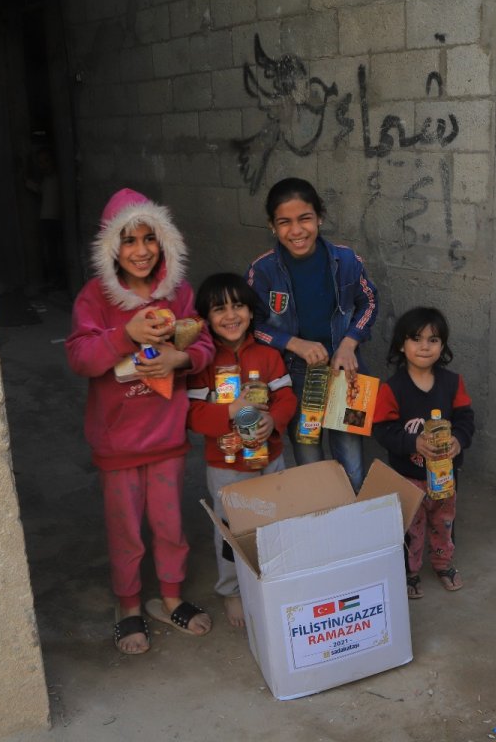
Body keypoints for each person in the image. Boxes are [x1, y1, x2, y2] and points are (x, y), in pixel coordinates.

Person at [65, 187, 215, 654]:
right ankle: (128, 604)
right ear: (111, 247)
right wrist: (124, 335)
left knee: (170, 525)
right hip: (118, 444)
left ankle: (170, 597)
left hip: (166, 438)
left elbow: (203, 343)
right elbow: (81, 358)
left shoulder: (179, 293)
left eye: (150, 238)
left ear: (164, 240)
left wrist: (180, 359)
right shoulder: (95, 297)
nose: (141, 250)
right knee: (126, 531)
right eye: (128, 240)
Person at [246, 177, 378, 491]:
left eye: (304, 218)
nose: (297, 230)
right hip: (296, 377)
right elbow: (252, 323)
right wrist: (293, 343)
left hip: (347, 374)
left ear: (320, 217)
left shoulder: (346, 261)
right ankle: (321, 516)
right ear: (272, 226)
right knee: (309, 460)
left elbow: (370, 302)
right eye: (285, 222)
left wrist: (349, 343)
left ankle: (353, 516)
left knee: (352, 459)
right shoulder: (262, 271)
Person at [186, 273, 298, 628]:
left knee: (274, 520)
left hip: (271, 457)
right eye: (219, 309)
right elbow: (192, 414)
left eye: (238, 306)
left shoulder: (268, 356)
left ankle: (273, 577)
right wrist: (231, 410)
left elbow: (286, 397)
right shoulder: (202, 363)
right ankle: (231, 590)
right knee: (230, 530)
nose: (231, 315)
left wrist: (274, 420)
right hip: (226, 465)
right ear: (205, 318)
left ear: (251, 312)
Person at [372, 307, 475, 599]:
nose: (425, 346)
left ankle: (443, 564)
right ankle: (410, 572)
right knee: (411, 527)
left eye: (433, 339)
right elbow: (382, 430)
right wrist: (412, 443)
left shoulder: (452, 382)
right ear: (401, 345)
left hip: (444, 476)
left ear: (442, 346)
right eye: (416, 339)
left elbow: (466, 419)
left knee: (444, 522)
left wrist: (458, 439)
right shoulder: (392, 389)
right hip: (408, 476)